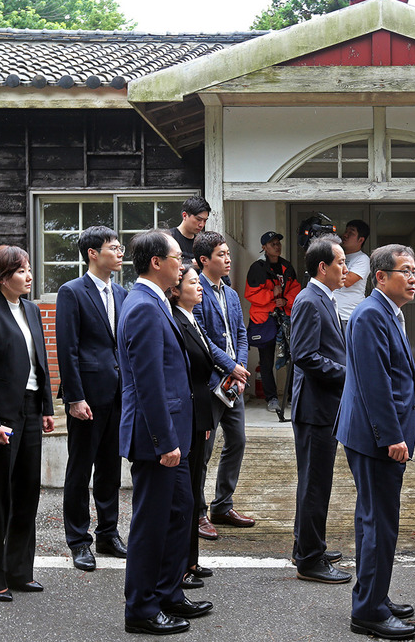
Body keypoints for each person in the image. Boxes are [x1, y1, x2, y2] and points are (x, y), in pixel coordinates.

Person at [118, 230, 212, 635]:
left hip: (173, 435)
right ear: (156, 262)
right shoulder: (142, 306)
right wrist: (165, 441)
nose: (183, 262)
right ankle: (140, 608)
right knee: (151, 523)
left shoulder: (156, 302)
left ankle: (169, 593)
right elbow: (148, 383)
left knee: (179, 515)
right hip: (157, 439)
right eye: (177, 256)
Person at [336, 244, 415, 640]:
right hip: (375, 438)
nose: (414, 275)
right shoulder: (371, 314)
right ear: (381, 277)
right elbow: (375, 384)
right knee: (379, 524)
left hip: (376, 435)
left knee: (374, 520)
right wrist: (392, 436)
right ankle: (368, 611)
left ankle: (374, 596)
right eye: (405, 269)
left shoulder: (389, 312)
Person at [0, 245, 55, 602]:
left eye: (29, 269)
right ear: (2, 277)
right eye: (20, 271)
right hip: (1, 417)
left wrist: (47, 406)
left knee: (25, 494)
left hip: (31, 411)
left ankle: (19, 571)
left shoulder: (32, 310)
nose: (29, 276)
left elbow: (42, 362)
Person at [55, 226, 128, 572]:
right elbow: (66, 350)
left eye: (120, 246)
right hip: (87, 396)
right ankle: (78, 541)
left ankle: (108, 533)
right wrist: (74, 397)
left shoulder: (124, 293)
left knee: (111, 469)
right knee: (80, 468)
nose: (120, 252)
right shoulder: (72, 292)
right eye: (113, 247)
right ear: (92, 254)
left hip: (118, 394)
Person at [290, 235, 351, 584]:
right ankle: (311, 561)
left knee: (315, 483)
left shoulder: (324, 297)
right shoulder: (310, 301)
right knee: (315, 485)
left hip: (325, 406)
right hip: (315, 409)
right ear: (323, 267)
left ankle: (309, 545)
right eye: (340, 263)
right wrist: (348, 374)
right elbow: (305, 356)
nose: (346, 269)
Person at [169, 264, 231, 593]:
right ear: (176, 290)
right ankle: (180, 566)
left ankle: (190, 561)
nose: (200, 287)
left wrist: (205, 421)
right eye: (193, 283)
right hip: (187, 416)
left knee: (194, 491)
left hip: (199, 414)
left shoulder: (194, 320)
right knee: (185, 496)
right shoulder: (175, 321)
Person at [193, 231, 254, 538]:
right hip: (210, 383)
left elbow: (241, 334)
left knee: (238, 441)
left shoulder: (229, 292)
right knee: (203, 451)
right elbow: (201, 339)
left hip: (233, 384)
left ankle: (222, 504)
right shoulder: (195, 290)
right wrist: (231, 367)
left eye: (229, 254)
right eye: (221, 255)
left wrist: (239, 368)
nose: (228, 259)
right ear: (204, 260)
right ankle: (198, 513)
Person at [244, 230, 300, 413]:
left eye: (278, 243)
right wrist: (272, 295)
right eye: (272, 243)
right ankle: (272, 398)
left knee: (292, 356)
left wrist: (285, 301)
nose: (277, 246)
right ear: (264, 247)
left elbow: (295, 290)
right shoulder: (257, 268)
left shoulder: (287, 266)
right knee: (266, 360)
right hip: (264, 319)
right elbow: (250, 294)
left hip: (285, 317)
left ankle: (292, 395)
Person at [333, 220, 371, 329]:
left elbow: (347, 281)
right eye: (346, 231)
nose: (345, 235)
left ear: (361, 240)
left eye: (351, 233)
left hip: (349, 315)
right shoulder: (336, 256)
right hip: (333, 314)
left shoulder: (363, 259)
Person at [169, 196, 210, 265]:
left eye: (205, 220)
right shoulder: (169, 238)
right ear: (184, 215)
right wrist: (191, 263)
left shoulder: (201, 242)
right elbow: (166, 265)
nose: (202, 225)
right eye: (198, 219)